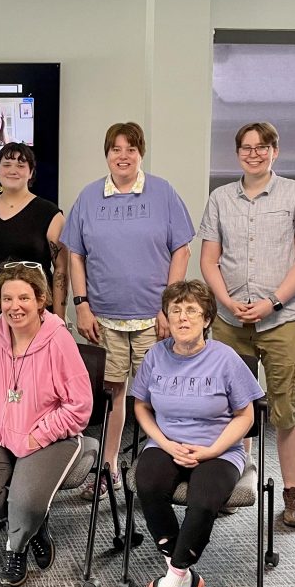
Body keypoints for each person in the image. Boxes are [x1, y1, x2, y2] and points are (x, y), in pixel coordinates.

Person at [198, 122, 295, 527]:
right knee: (231, 406)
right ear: (237, 153)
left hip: (285, 318)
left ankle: (293, 491)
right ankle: (237, 478)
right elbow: (209, 260)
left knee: (288, 406)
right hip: (231, 319)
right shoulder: (220, 198)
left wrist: (272, 302)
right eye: (246, 148)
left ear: (275, 151)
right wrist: (225, 301)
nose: (254, 154)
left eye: (262, 147)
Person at [60, 121, 194, 500]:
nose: (123, 156)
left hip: (156, 318)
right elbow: (75, 255)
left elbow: (181, 250)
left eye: (131, 149)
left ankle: (173, 465)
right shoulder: (89, 198)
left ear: (141, 153)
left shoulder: (162, 192)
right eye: (116, 149)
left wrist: (169, 308)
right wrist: (82, 306)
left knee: (163, 396)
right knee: (114, 394)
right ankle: (109, 468)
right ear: (107, 154)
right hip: (105, 318)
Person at [132, 280, 262, 587]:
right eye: (175, 310)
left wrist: (210, 451)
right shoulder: (156, 355)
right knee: (147, 483)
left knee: (203, 501)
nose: (183, 317)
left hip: (219, 448)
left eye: (192, 310)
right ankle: (187, 579)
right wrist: (163, 442)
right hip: (167, 442)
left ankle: (169, 585)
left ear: (207, 319)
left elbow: (245, 415)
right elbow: (141, 407)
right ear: (167, 318)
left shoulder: (225, 359)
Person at [0, 262, 91, 587]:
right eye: (7, 299)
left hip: (49, 435)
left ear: (40, 300)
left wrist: (39, 436)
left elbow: (80, 405)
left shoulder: (59, 341)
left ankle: (15, 547)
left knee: (27, 500)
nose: (14, 306)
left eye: (23, 298)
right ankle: (33, 524)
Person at [0, 143, 68, 317]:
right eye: (6, 165)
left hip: (29, 315)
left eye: (21, 165)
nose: (13, 170)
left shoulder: (50, 214)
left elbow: (61, 269)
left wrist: (58, 319)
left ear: (31, 172)